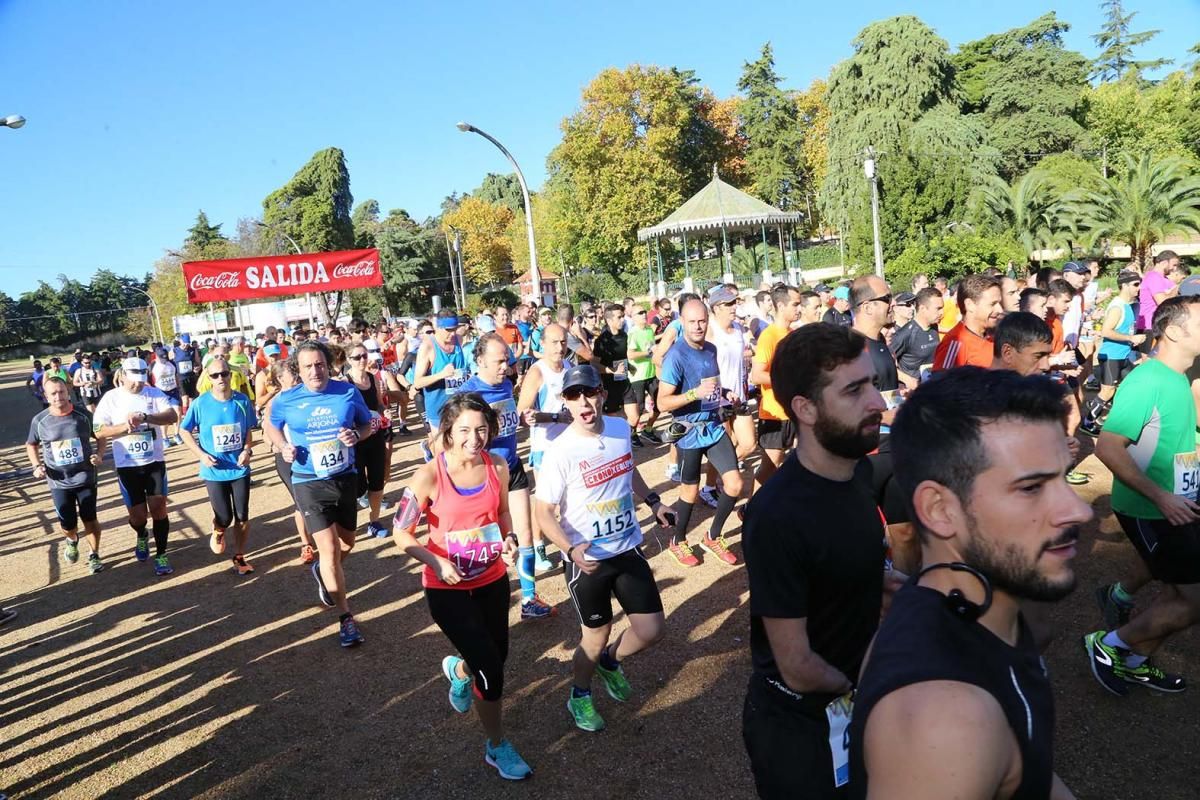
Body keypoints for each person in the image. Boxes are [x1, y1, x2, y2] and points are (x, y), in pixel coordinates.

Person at [849, 367, 1088, 799]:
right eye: (1032, 487)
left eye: (1064, 477)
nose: (1078, 510)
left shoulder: (968, 609)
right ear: (939, 509)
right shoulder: (946, 720)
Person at [741, 323, 893, 800]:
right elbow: (798, 665)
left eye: (872, 382)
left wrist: (886, 579)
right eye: (855, 390)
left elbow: (844, 560)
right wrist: (870, 686)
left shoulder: (857, 470)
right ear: (805, 409)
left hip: (853, 706)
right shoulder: (778, 516)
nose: (879, 403)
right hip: (801, 726)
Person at [390, 393, 532, 781]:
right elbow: (400, 532)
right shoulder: (429, 475)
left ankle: (459, 670)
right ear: (448, 432)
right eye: (465, 430)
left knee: (495, 656)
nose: (475, 437)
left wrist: (510, 538)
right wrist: (436, 560)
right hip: (446, 587)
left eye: (482, 428)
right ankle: (497, 744)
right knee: (492, 670)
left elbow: (501, 512)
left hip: (491, 579)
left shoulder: (498, 466)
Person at [532, 365, 674, 733]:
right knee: (595, 636)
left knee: (651, 629)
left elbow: (629, 471)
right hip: (589, 561)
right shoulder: (560, 451)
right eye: (573, 395)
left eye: (589, 392)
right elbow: (543, 512)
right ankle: (579, 694)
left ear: (601, 394)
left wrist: (655, 503)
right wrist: (569, 548)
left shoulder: (619, 429)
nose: (583, 401)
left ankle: (611, 663)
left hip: (626, 547)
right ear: (564, 401)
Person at [1085, 295, 1200, 695]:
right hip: (1151, 509)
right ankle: (1108, 645)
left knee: (1179, 593)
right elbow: (1107, 446)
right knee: (1192, 600)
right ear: (1173, 330)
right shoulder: (1148, 379)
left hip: (1177, 505)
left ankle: (1132, 661)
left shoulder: (1176, 377)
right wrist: (1162, 497)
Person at [266, 341, 376, 648]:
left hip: (344, 477)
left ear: (328, 365)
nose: (315, 371)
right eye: (308, 366)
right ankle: (346, 618)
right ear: (298, 371)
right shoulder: (287, 399)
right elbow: (270, 425)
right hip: (307, 480)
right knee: (328, 550)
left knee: (347, 544)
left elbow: (367, 426)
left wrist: (356, 434)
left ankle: (324, 572)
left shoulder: (347, 392)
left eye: (319, 365)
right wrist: (282, 445)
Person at [461, 332, 556, 619]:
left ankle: (528, 600)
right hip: (485, 472)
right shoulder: (467, 395)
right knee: (490, 539)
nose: (506, 366)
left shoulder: (505, 385)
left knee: (524, 532)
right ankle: (477, 600)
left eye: (507, 360)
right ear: (479, 361)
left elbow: (508, 422)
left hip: (512, 467)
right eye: (499, 361)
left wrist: (522, 419)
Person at [655, 298, 742, 567]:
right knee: (689, 492)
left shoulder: (711, 350)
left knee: (735, 484)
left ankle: (712, 536)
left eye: (702, 321)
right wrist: (693, 393)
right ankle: (678, 541)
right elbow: (662, 402)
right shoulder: (676, 356)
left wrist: (726, 394)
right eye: (691, 322)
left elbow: (712, 387)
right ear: (682, 323)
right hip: (689, 432)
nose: (698, 326)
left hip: (714, 427)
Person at [92, 357, 181, 576]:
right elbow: (98, 429)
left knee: (159, 508)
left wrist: (146, 417)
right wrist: (124, 427)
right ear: (122, 375)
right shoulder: (111, 398)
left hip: (154, 463)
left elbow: (172, 416)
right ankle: (141, 534)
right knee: (138, 516)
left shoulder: (153, 393)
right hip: (128, 466)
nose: (137, 385)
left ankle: (161, 554)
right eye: (133, 381)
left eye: (141, 380)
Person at [179, 356, 258, 575]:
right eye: (215, 375)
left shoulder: (242, 401)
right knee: (225, 516)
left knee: (242, 515)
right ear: (209, 378)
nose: (221, 378)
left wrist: (246, 450)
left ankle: (240, 556)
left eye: (224, 373)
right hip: (214, 470)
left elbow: (248, 431)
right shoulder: (200, 403)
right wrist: (201, 455)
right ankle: (218, 528)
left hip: (239, 467)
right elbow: (184, 430)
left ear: (230, 375)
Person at [26, 377, 107, 574]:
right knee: (67, 523)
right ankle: (71, 539)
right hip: (58, 481)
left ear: (67, 391)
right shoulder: (40, 420)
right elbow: (31, 444)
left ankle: (94, 554)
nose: (58, 396)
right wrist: (36, 465)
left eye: (61, 392)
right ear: (46, 396)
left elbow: (101, 435)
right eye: (53, 393)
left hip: (85, 477)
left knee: (90, 518)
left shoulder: (83, 415)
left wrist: (99, 455)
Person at [518, 322, 570, 572]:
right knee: (546, 500)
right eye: (554, 342)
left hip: (569, 443)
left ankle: (567, 544)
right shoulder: (537, 372)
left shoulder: (569, 367)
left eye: (563, 341)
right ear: (543, 344)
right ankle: (539, 546)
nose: (559, 347)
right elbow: (522, 413)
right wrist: (556, 418)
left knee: (568, 498)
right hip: (545, 446)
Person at [703, 285, 755, 499]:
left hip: (739, 396)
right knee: (722, 444)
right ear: (716, 307)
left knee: (749, 444)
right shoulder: (709, 329)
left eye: (735, 303)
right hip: (718, 399)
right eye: (728, 304)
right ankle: (708, 488)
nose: (734, 307)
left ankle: (724, 474)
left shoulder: (738, 328)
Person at [751, 284, 803, 489]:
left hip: (794, 412)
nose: (799, 308)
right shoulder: (768, 336)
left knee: (800, 462)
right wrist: (786, 379)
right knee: (769, 466)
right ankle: (749, 510)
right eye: (795, 304)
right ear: (780, 306)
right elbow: (756, 375)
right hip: (774, 414)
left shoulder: (792, 334)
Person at [1082, 270, 1146, 436]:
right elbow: (1106, 332)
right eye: (1135, 284)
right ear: (1124, 285)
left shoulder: (1128, 305)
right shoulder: (1117, 307)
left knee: (1133, 386)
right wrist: (1131, 338)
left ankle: (1112, 416)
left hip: (1123, 356)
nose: (1139, 288)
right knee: (1107, 391)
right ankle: (1088, 422)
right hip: (1111, 357)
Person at [345, 342, 391, 538]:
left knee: (377, 481)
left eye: (364, 355)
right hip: (356, 440)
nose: (362, 360)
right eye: (357, 357)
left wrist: (384, 412)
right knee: (359, 485)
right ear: (349, 360)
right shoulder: (345, 383)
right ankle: (359, 502)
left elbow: (379, 405)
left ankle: (374, 521)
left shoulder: (373, 379)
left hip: (376, 435)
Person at [412, 309, 469, 449]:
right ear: (438, 328)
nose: (453, 333)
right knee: (443, 452)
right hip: (438, 408)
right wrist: (441, 375)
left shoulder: (459, 340)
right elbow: (417, 382)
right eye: (448, 330)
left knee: (461, 449)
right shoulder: (428, 347)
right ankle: (429, 448)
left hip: (460, 406)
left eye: (455, 329)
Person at [593, 303, 645, 446]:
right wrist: (611, 370)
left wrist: (630, 366)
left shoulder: (624, 335)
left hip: (624, 382)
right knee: (613, 420)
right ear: (609, 320)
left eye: (623, 316)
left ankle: (626, 438)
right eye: (619, 317)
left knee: (634, 418)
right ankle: (617, 444)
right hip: (609, 385)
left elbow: (623, 356)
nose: (623, 320)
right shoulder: (602, 341)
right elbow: (595, 364)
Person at [932, 274, 1003, 371]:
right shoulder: (955, 343)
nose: (1000, 310)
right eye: (993, 304)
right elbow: (942, 383)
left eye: (999, 303)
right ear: (970, 305)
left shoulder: (993, 335)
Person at [889, 287, 943, 389]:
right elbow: (885, 362)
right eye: (938, 308)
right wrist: (907, 379)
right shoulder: (905, 334)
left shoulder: (934, 327)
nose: (942, 313)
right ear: (922, 308)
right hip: (914, 394)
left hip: (933, 388)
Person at [626, 304, 661, 443]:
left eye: (644, 312)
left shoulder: (649, 330)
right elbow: (630, 355)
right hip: (637, 377)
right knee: (639, 409)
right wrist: (648, 352)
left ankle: (648, 429)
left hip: (651, 374)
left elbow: (652, 349)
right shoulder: (633, 333)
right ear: (633, 317)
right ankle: (632, 433)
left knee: (660, 404)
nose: (644, 314)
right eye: (640, 313)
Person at [1136, 250, 1184, 339]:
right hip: (1149, 326)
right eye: (1174, 265)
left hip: (1157, 324)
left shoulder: (1163, 279)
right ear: (1164, 263)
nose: (1175, 269)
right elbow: (1162, 301)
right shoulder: (1154, 277)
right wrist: (1177, 288)